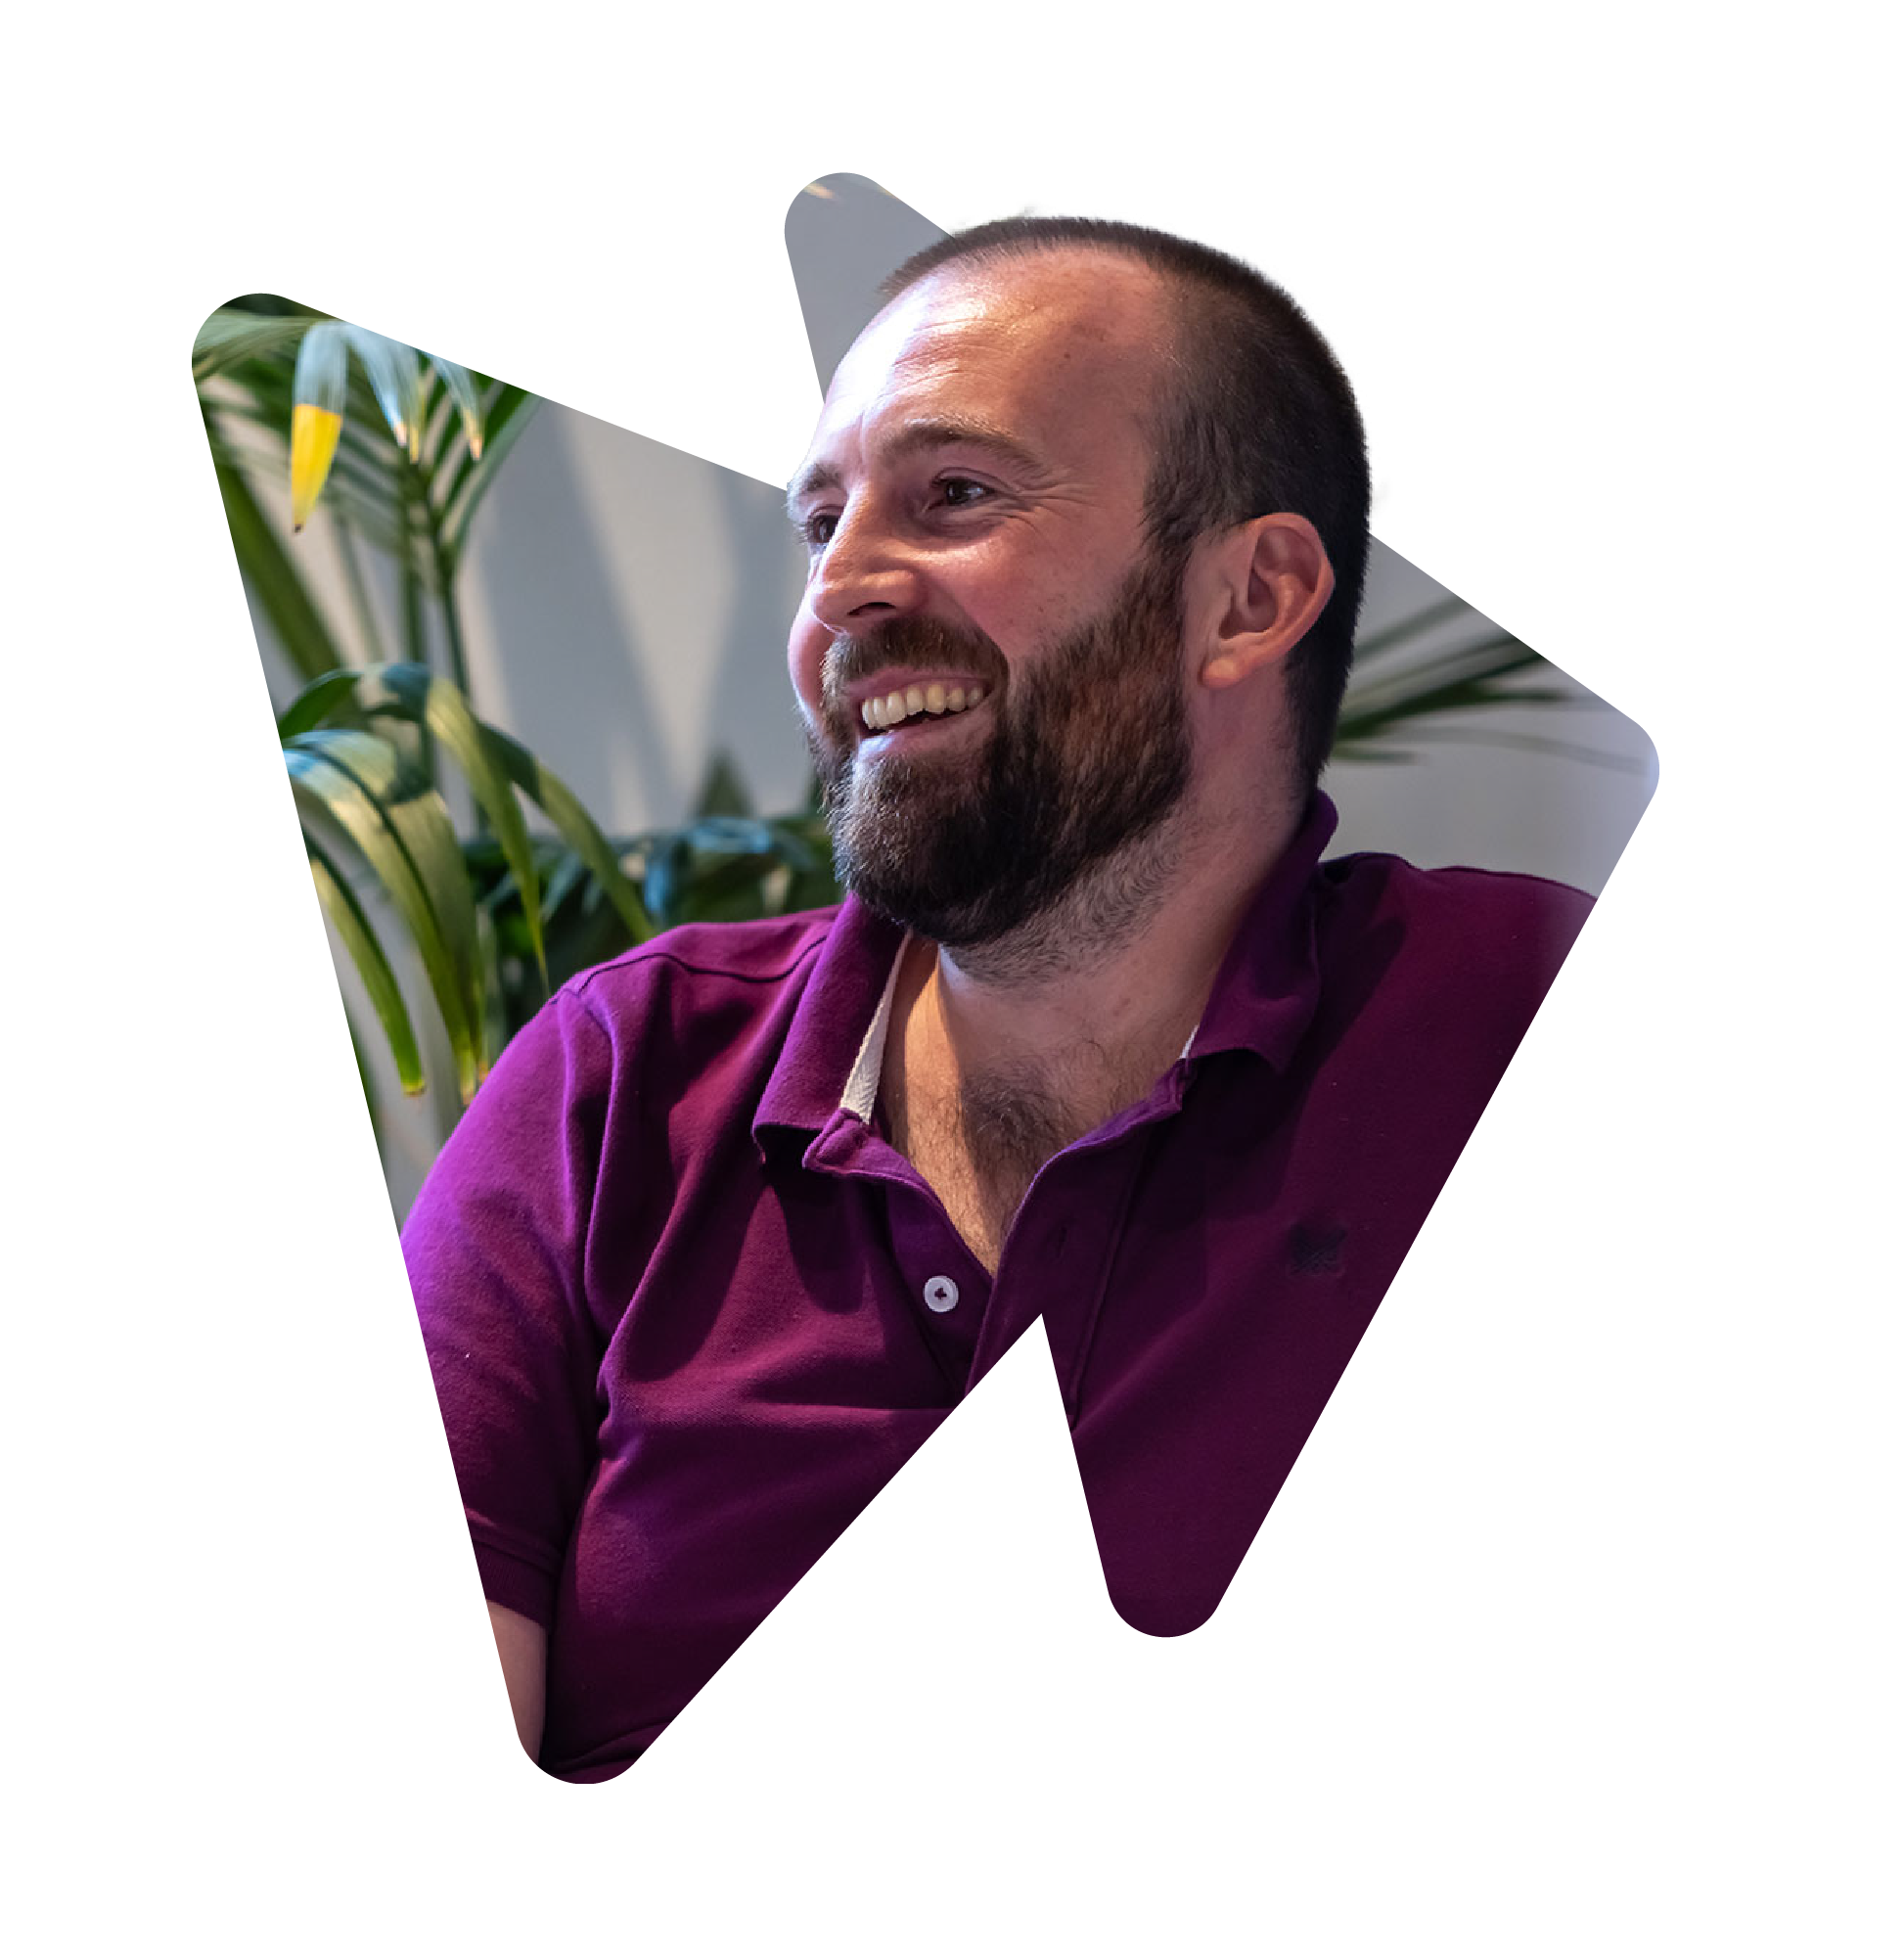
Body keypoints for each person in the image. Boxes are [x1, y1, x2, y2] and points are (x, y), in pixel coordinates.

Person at [402, 211, 1594, 1781]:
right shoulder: (618, 1084)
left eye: (955, 494)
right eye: (820, 525)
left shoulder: (1515, 1028)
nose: (841, 593)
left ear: (1252, 598)